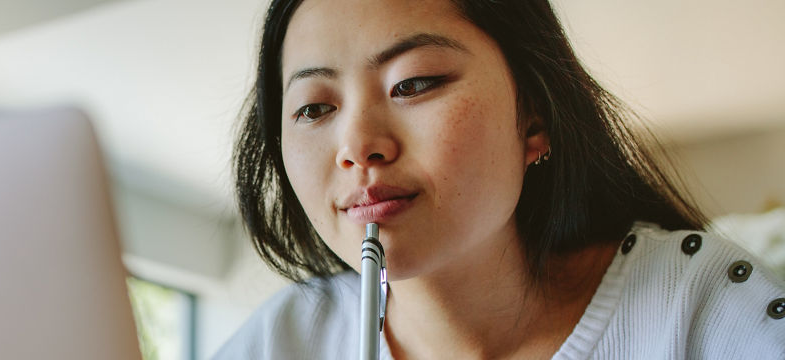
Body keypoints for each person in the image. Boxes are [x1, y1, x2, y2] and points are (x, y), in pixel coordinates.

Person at [215, 0, 785, 358]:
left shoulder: (703, 311)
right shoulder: (281, 340)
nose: (358, 146)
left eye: (414, 83)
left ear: (533, 114)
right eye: (314, 108)